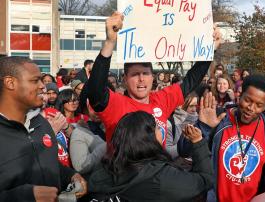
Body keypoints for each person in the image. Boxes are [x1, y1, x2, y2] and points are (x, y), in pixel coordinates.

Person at [85, 12, 220, 144]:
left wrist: (209, 49)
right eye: (135, 74)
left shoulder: (161, 99)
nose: (141, 79)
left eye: (145, 73)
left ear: (153, 77)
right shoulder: (116, 104)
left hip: (159, 166)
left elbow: (191, 81)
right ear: (125, 79)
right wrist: (110, 42)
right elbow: (95, 91)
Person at [179, 74, 265, 202]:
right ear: (239, 96)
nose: (251, 108)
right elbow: (183, 150)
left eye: (259, 105)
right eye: (248, 100)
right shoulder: (218, 119)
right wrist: (204, 126)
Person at [0, 56, 87, 201]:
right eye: (35, 81)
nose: (43, 86)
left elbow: (48, 162)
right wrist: (26, 196)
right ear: (10, 83)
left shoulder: (41, 122)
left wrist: (71, 175)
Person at [88, 111, 213, 201]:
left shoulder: (105, 167)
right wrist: (198, 142)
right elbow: (205, 180)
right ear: (148, 138)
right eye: (158, 129)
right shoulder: (161, 178)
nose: (160, 133)